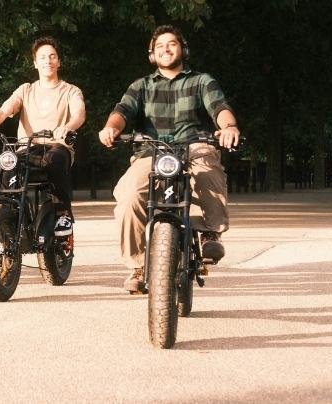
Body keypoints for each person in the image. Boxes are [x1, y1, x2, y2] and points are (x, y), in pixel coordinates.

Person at [98, 24, 240, 293]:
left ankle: (211, 232)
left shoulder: (201, 81)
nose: (166, 49)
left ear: (182, 49)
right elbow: (122, 111)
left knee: (208, 170)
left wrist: (229, 127)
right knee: (128, 196)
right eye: (160, 45)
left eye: (171, 43)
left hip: (194, 145)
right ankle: (138, 266)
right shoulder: (140, 86)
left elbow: (219, 108)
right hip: (150, 151)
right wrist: (111, 128)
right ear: (152, 54)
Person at [0, 36, 86, 238]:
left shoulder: (70, 90)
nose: (47, 61)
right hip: (27, 148)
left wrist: (66, 127)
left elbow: (79, 114)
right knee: (6, 167)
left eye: (52, 56)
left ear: (58, 61)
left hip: (57, 146)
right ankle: (5, 218)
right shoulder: (25, 90)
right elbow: (3, 111)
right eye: (42, 57)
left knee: (55, 159)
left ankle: (62, 214)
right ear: (35, 62)